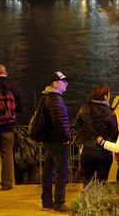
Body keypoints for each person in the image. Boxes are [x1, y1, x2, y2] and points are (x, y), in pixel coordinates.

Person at [40, 71, 72, 213]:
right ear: (54, 83)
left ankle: (47, 201)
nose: (66, 84)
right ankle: (59, 202)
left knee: (48, 170)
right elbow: (59, 122)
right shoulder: (55, 99)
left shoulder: (46, 97)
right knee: (62, 171)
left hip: (49, 140)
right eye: (63, 81)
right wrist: (66, 138)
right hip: (57, 141)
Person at [73, 85, 118, 185]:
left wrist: (84, 135)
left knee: (87, 181)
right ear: (105, 97)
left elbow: (76, 126)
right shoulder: (111, 114)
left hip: (87, 150)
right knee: (101, 182)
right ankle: (98, 200)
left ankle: (86, 200)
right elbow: (115, 135)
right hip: (104, 152)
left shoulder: (84, 109)